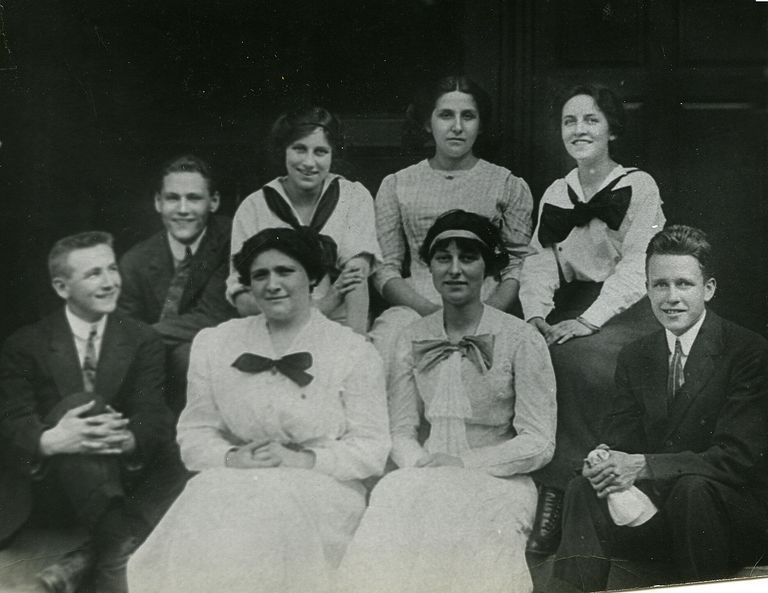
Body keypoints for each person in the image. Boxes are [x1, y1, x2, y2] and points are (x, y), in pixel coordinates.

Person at [128, 227, 390, 593]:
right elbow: (195, 434)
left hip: (320, 488)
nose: (272, 284)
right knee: (206, 497)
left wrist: (304, 461)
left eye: (286, 271)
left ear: (312, 278)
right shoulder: (217, 343)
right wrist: (233, 456)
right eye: (260, 275)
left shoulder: (352, 351)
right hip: (239, 476)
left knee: (266, 513)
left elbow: (372, 449)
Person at [340, 210, 556, 593]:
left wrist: (464, 464)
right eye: (444, 258)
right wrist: (420, 463)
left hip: (497, 477)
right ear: (431, 267)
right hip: (427, 471)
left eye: (468, 257)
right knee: (391, 497)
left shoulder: (520, 338)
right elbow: (401, 429)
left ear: (488, 267)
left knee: (468, 524)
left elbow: (538, 440)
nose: (455, 270)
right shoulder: (411, 335)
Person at [548, 225, 768, 592]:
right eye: (660, 285)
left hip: (727, 515)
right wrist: (603, 458)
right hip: (656, 512)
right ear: (647, 289)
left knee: (692, 488)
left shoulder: (748, 352)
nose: (671, 298)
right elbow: (620, 438)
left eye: (684, 284)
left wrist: (645, 465)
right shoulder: (636, 356)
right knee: (583, 489)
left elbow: (737, 458)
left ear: (708, 289)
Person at [519, 83, 666, 555]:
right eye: (569, 121)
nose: (579, 130)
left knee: (579, 362)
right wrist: (537, 315)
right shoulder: (556, 193)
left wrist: (591, 321)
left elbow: (638, 267)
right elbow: (539, 262)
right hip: (569, 308)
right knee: (535, 352)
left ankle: (589, 493)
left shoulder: (637, 186)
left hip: (630, 310)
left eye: (590, 120)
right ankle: (553, 491)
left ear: (610, 129)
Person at [0, 232, 175, 593]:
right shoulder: (25, 343)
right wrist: (52, 439)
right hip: (52, 486)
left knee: (184, 454)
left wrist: (126, 439)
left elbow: (152, 415)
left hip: (119, 472)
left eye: (112, 268)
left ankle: (89, 555)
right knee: (81, 404)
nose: (111, 281)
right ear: (62, 287)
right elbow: (12, 418)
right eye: (94, 273)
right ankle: (115, 548)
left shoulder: (142, 339)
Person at [369, 74, 533, 368]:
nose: (457, 127)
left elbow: (517, 265)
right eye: (446, 115)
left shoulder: (506, 184)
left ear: (480, 124)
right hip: (416, 304)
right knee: (387, 343)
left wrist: (485, 313)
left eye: (468, 116)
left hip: (487, 302)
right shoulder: (397, 184)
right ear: (426, 123)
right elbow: (385, 269)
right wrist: (431, 313)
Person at [226, 107, 380, 334]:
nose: (309, 162)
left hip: (339, 327)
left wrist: (357, 345)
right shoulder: (255, 206)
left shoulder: (353, 197)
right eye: (299, 149)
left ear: (333, 154)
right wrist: (322, 304)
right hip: (272, 327)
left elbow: (356, 278)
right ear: (283, 151)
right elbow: (242, 297)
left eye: (320, 152)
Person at [118, 154, 236, 413]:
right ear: (158, 202)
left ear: (213, 202)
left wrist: (139, 341)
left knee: (186, 355)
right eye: (172, 198)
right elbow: (124, 325)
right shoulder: (136, 260)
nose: (182, 209)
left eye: (193, 198)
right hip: (157, 361)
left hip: (218, 355)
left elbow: (213, 315)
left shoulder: (231, 241)